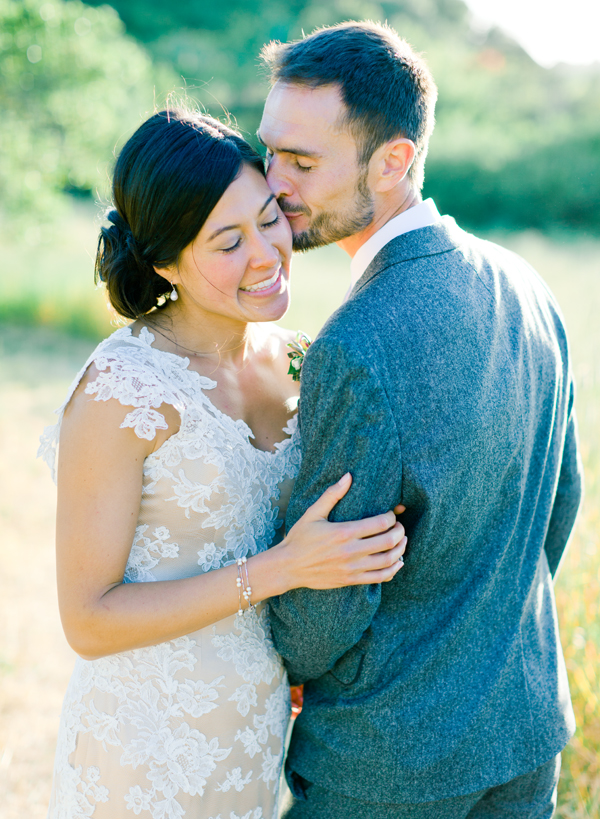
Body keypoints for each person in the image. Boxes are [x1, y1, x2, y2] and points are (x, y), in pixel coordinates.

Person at [38, 108, 409, 819]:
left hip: (256, 729)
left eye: (270, 219)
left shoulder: (298, 358)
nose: (268, 253)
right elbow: (87, 619)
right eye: (228, 242)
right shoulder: (123, 391)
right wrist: (282, 571)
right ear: (164, 261)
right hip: (143, 749)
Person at [258, 20, 583, 819]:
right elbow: (561, 502)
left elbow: (323, 607)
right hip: (523, 734)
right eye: (269, 150)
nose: (271, 182)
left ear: (394, 160)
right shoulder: (529, 286)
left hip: (383, 767)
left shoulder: (355, 344)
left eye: (301, 162)